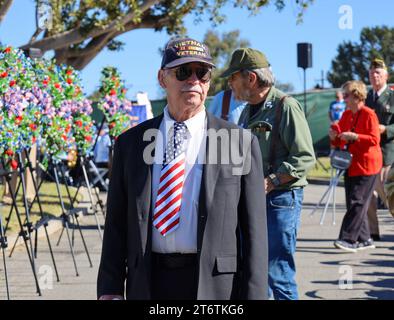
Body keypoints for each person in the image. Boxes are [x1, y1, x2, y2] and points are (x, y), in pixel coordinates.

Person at [97, 38, 268, 300]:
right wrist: (110, 288)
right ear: (162, 78)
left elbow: (255, 233)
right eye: (183, 72)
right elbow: (117, 223)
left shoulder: (240, 143)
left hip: (215, 287)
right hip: (148, 282)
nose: (194, 80)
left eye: (202, 72)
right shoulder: (130, 144)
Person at [221, 48, 315, 300]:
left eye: (233, 77)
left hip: (280, 201)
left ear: (250, 78)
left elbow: (305, 157)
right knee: (256, 272)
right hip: (254, 200)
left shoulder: (286, 106)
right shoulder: (247, 110)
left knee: (278, 272)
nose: (230, 83)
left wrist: (271, 181)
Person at [329, 80, 382, 252]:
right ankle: (365, 238)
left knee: (357, 202)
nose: (344, 98)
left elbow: (375, 140)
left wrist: (355, 136)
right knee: (355, 202)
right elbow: (339, 138)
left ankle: (348, 239)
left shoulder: (369, 114)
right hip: (351, 164)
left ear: (357, 96)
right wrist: (334, 134)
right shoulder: (346, 115)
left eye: (347, 95)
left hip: (368, 165)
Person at [366, 58, 394, 241]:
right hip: (368, 155)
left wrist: (386, 129)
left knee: (389, 197)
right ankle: (372, 233)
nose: (374, 76)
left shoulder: (392, 97)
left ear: (386, 76)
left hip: (387, 154)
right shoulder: (366, 97)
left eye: (378, 73)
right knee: (368, 196)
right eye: (371, 73)